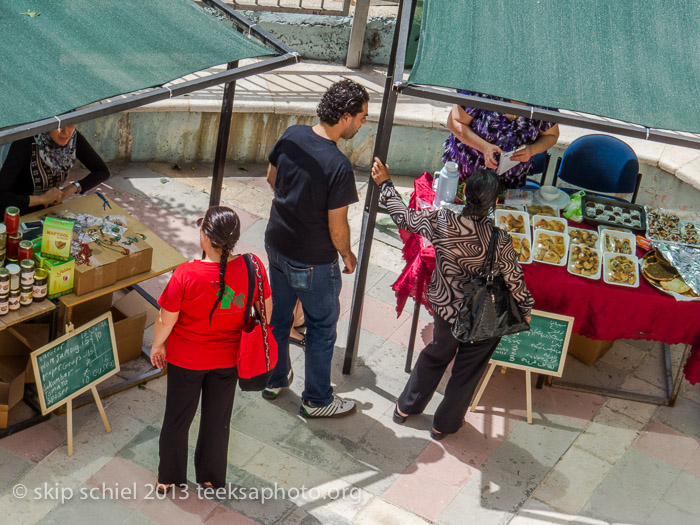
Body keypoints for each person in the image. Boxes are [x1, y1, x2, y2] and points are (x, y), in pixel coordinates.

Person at [370, 159, 534, 440]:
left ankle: (405, 408)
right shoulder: (500, 239)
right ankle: (442, 426)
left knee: (436, 354)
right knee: (466, 371)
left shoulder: (442, 220)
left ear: (465, 192)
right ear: (493, 202)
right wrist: (526, 308)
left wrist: (385, 184)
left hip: (445, 309)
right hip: (482, 315)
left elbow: (403, 217)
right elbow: (514, 280)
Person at [261, 79, 369, 418]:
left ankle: (275, 379)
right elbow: (338, 228)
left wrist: (293, 206)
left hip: (276, 243)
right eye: (362, 117)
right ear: (346, 117)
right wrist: (348, 255)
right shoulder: (338, 166)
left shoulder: (292, 135)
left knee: (278, 317)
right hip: (312, 262)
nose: (364, 123)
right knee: (322, 328)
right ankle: (317, 400)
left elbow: (271, 178)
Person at [150, 206, 272, 491]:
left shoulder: (186, 274)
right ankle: (210, 477)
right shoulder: (253, 266)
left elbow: (165, 319)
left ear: (205, 238)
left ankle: (168, 477)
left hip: (186, 359)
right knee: (218, 420)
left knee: (177, 418)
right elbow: (266, 310)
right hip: (228, 360)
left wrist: (157, 346)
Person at [443, 90, 559, 190]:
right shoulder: (481, 91)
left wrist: (531, 150)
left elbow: (551, 135)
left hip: (509, 182)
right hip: (467, 175)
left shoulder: (542, 101)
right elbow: (454, 123)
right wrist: (483, 146)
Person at [0, 125, 110, 214]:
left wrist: (71, 189)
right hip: (16, 213)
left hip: (50, 211)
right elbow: (2, 196)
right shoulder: (24, 143)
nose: (66, 132)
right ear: (47, 125)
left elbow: (102, 171)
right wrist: (42, 199)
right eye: (59, 125)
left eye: (71, 123)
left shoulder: (73, 139)